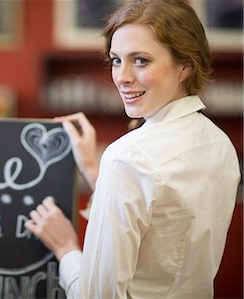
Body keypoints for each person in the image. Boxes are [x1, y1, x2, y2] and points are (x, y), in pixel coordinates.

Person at [24, 0, 241, 298]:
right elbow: (160, 222)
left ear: (185, 66)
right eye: (116, 60)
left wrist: (66, 249)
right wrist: (92, 169)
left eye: (141, 60)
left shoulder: (127, 157)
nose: (122, 76)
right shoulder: (220, 144)